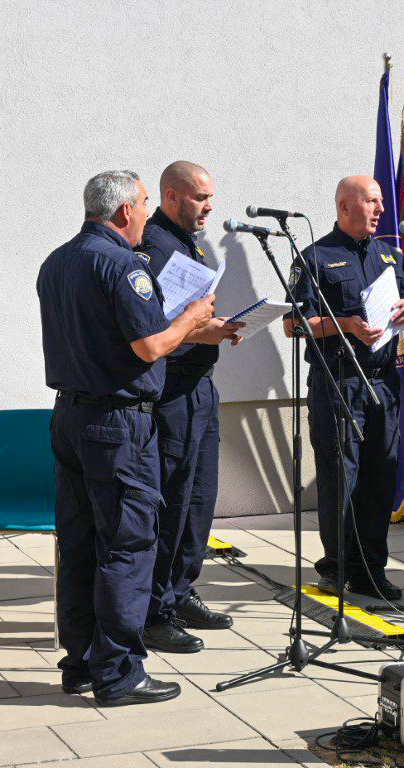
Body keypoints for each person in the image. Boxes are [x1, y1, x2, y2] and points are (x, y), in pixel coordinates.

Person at [38, 170, 214, 705]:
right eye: (141, 205)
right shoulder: (123, 264)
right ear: (122, 213)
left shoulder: (57, 260)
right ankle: (118, 673)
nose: (144, 215)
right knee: (127, 545)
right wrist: (190, 318)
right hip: (116, 424)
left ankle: (82, 663)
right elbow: (150, 345)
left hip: (70, 415)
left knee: (79, 544)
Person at [284, 175, 404, 600]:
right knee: (342, 477)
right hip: (339, 382)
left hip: (384, 384)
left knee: (380, 478)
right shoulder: (315, 257)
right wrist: (344, 324)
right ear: (344, 206)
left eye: (380, 201)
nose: (380, 209)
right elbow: (293, 324)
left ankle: (371, 568)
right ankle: (337, 566)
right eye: (371, 201)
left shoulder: (391, 255)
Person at [136, 161, 244, 654]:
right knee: (173, 498)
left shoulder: (193, 244)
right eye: (200, 197)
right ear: (172, 196)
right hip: (171, 391)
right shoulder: (153, 245)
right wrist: (206, 329)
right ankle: (154, 609)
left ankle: (181, 591)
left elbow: (191, 313)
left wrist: (219, 326)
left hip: (202, 384)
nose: (209, 206)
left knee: (200, 498)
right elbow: (159, 323)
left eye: (210, 196)